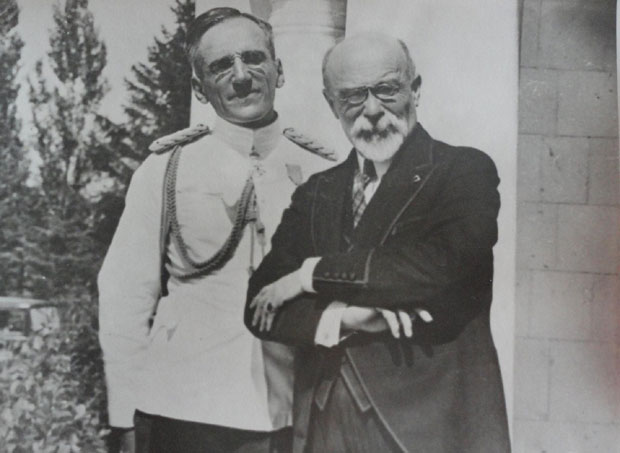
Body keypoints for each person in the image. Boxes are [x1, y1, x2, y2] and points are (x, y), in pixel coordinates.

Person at [245, 32, 511, 453]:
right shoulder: (317, 192)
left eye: (386, 89)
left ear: (414, 90)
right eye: (353, 96)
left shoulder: (463, 172)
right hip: (323, 422)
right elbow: (260, 305)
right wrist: (346, 318)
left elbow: (439, 265)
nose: (371, 110)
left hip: (426, 428)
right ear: (332, 104)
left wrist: (309, 275)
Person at [98, 7, 332, 453]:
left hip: (289, 411)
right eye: (221, 66)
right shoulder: (166, 169)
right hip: (182, 409)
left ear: (279, 70)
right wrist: (124, 415)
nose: (241, 76)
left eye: (254, 58)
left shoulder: (324, 171)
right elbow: (124, 296)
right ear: (198, 89)